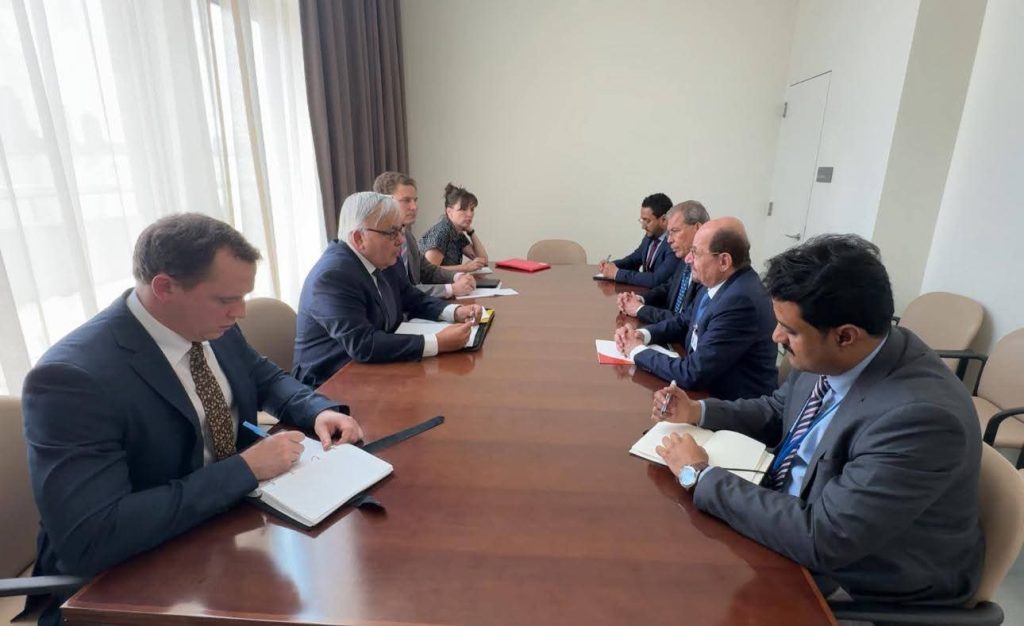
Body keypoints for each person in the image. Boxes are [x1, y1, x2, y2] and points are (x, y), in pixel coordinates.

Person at [22, 213, 364, 626]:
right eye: (226, 300)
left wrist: (317, 409)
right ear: (165, 287)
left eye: (243, 297)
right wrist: (244, 469)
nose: (240, 312)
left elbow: (263, 376)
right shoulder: (71, 379)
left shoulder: (209, 325)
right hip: (129, 580)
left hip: (228, 533)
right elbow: (94, 535)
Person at [653, 234, 984, 605]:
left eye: (790, 330)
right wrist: (698, 411)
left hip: (864, 580)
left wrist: (699, 475)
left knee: (686, 595)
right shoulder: (835, 351)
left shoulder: (919, 419)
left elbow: (824, 537)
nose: (775, 336)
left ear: (845, 336)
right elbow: (778, 410)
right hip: (795, 513)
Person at [292, 191, 483, 387]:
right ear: (359, 238)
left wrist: (454, 312)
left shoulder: (385, 258)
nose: (401, 240)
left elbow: (411, 297)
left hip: (373, 370)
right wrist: (437, 342)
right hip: (327, 385)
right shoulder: (332, 276)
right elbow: (363, 344)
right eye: (392, 233)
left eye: (401, 230)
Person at [616, 217, 777, 400]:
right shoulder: (719, 282)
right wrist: (642, 335)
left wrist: (636, 350)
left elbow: (693, 373)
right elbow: (683, 321)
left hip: (728, 404)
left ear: (724, 261)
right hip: (704, 388)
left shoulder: (740, 301)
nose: (688, 259)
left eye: (695, 253)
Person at [372, 171, 476, 298]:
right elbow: (400, 291)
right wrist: (450, 289)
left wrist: (457, 276)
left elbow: (428, 270)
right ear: (384, 202)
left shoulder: (407, 236)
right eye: (406, 200)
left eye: (415, 200)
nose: (414, 207)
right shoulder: (379, 243)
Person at [617, 200, 710, 324]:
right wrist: (639, 299)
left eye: (675, 231)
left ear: (697, 228)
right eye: (668, 233)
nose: (669, 240)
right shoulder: (686, 257)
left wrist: (640, 309)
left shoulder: (709, 268)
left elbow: (686, 321)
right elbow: (668, 288)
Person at [597, 193, 678, 288]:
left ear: (664, 219)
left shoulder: (674, 244)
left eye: (647, 221)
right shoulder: (649, 236)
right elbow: (633, 260)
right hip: (642, 292)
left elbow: (655, 279)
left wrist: (617, 273)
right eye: (642, 220)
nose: (643, 226)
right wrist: (611, 265)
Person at [419, 182, 489, 272]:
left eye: (472, 209)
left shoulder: (457, 233)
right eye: (463, 209)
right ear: (449, 212)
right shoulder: (442, 232)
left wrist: (471, 232)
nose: (470, 214)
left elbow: (483, 261)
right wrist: (464, 267)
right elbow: (428, 270)